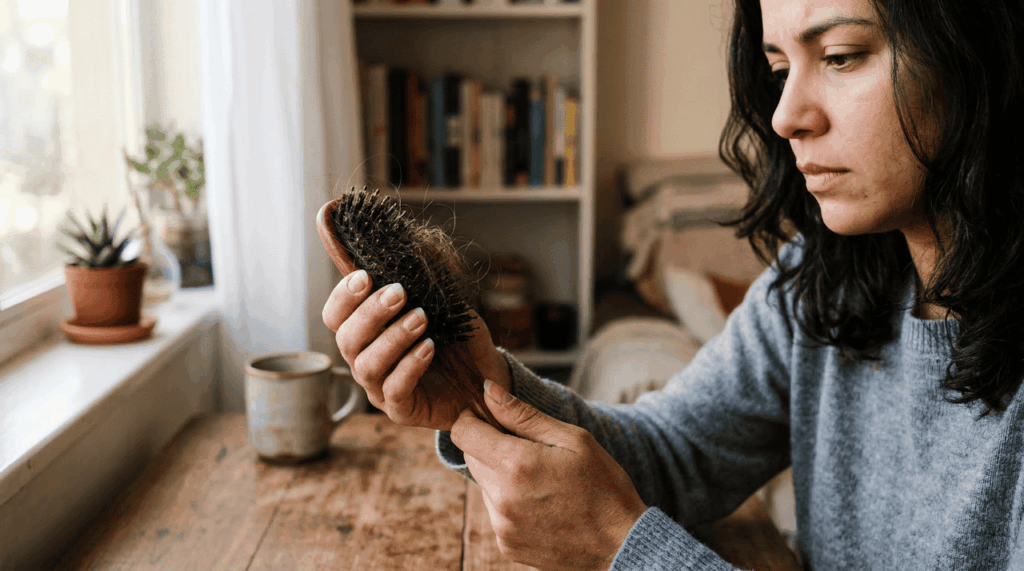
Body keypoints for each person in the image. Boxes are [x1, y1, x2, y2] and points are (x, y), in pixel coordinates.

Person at [321, 0, 1024, 567]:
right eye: (780, 67)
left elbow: (626, 522)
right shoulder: (821, 286)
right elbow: (674, 451)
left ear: (979, 53)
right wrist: (484, 387)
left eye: (840, 57)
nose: (785, 116)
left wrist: (627, 549)